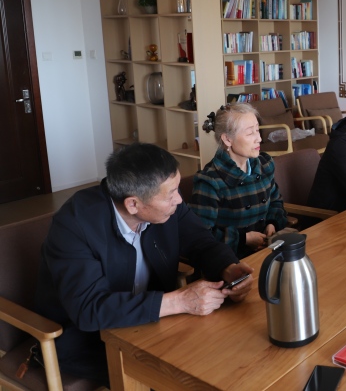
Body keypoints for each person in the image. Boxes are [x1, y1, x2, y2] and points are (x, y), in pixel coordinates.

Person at [34, 143, 254, 384]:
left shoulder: (166, 207)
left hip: (152, 321)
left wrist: (228, 267)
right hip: (88, 338)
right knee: (181, 376)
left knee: (225, 354)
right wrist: (179, 301)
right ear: (133, 204)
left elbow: (200, 241)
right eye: (171, 194)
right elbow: (89, 308)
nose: (179, 199)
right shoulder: (74, 226)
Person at [190, 103, 288, 258]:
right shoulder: (210, 181)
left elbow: (276, 202)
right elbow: (200, 235)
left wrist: (272, 223)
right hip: (229, 260)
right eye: (250, 133)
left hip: (266, 251)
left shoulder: (264, 165)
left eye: (257, 130)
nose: (259, 138)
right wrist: (244, 239)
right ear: (227, 139)